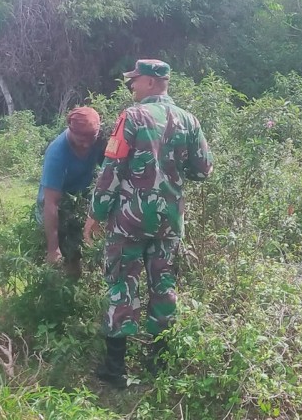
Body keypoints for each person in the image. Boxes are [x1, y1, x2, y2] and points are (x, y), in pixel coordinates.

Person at [83, 59, 213, 388]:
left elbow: (112, 169)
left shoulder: (132, 116)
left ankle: (115, 371)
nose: (132, 85)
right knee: (164, 288)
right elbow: (203, 170)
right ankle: (159, 366)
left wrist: (96, 213)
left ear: (153, 83)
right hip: (169, 221)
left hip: (129, 222)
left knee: (121, 286)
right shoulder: (189, 120)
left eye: (137, 80)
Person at [36, 106, 104, 278]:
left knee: (81, 250)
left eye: (91, 138)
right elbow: (51, 203)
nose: (86, 144)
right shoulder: (57, 153)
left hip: (82, 200)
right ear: (70, 130)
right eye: (81, 139)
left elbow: (111, 171)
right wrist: (53, 248)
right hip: (57, 205)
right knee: (64, 254)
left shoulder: (100, 141)